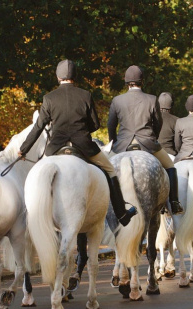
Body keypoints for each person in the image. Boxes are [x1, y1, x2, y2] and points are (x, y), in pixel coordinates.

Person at [18, 59, 137, 226]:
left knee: (39, 173)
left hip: (56, 147)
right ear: (75, 76)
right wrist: (81, 129)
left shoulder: (49, 98)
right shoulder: (85, 95)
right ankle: (122, 214)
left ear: (58, 77)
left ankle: (29, 216)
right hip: (83, 146)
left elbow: (38, 127)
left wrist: (23, 150)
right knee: (110, 170)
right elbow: (95, 124)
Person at [107, 65, 184, 215]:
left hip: (122, 145)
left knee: (105, 170)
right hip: (147, 143)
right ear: (142, 81)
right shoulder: (152, 99)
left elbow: (111, 125)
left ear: (127, 81)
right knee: (170, 167)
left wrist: (114, 141)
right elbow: (158, 123)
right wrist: (152, 138)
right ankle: (174, 202)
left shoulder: (117, 100)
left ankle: (105, 202)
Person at [158, 92, 178, 156]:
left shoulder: (150, 118)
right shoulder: (176, 120)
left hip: (152, 152)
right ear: (171, 105)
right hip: (169, 153)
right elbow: (178, 143)